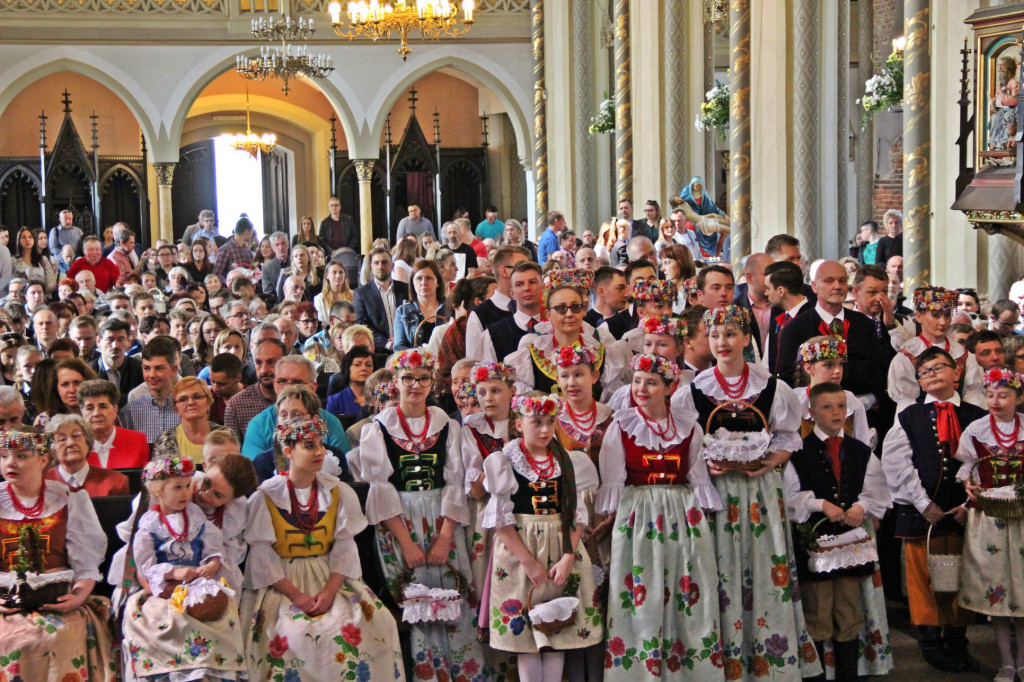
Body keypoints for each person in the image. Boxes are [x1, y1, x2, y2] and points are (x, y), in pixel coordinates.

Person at [674, 305, 821, 680]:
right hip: (714, 494)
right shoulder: (693, 389)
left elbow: (789, 437)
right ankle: (717, 663)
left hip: (759, 492)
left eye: (730, 334)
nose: (722, 342)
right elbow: (685, 444)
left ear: (745, 338)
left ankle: (768, 661)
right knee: (717, 570)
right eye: (715, 335)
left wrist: (769, 462)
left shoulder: (772, 385)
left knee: (762, 568)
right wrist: (705, 466)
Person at [242, 415, 404, 680]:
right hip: (282, 581)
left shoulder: (338, 492)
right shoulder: (266, 497)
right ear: (289, 451)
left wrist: (329, 592)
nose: (319, 451)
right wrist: (297, 595)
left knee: (374, 622)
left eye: (320, 444)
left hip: (330, 575)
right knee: (294, 633)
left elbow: (344, 550)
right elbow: (262, 557)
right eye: (309, 445)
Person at [355, 349, 485, 681]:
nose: (416, 385)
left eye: (423, 378)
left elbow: (454, 483)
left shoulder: (445, 424)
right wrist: (407, 544)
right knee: (417, 602)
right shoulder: (379, 428)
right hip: (399, 520)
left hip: (442, 516)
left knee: (455, 596)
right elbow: (381, 490)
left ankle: (466, 673)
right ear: (395, 382)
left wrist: (444, 538)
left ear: (432, 381)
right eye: (408, 378)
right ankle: (430, 674)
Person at [596, 354, 721, 680]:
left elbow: (697, 478)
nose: (641, 388)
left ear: (669, 387)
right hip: (638, 515)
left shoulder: (689, 427)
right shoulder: (621, 425)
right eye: (637, 381)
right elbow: (614, 483)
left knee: (687, 591)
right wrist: (610, 521)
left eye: (651, 382)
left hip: (682, 514)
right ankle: (640, 672)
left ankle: (689, 670)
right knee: (641, 590)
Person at [482, 392, 601, 681]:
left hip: (559, 548)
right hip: (521, 551)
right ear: (519, 424)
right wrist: (528, 563)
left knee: (556, 628)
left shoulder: (565, 460)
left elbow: (574, 516)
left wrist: (568, 557)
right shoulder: (505, 460)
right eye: (537, 422)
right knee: (526, 638)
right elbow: (501, 522)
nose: (546, 429)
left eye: (550, 421)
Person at [882, 346, 986, 672]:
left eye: (939, 368)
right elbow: (896, 462)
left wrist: (971, 504)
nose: (931, 375)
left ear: (957, 372)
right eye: (924, 372)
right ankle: (930, 643)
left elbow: (983, 465)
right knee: (924, 579)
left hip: (962, 513)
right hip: (920, 514)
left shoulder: (976, 415)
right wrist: (923, 502)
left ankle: (958, 641)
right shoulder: (907, 416)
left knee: (961, 578)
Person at [783, 382, 893, 681]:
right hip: (815, 544)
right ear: (811, 412)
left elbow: (877, 489)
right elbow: (789, 498)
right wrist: (820, 504)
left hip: (851, 546)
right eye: (827, 407)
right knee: (818, 611)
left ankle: (848, 675)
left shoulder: (861, 451)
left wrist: (862, 506)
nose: (835, 413)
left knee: (848, 611)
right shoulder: (798, 453)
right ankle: (817, 677)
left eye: (841, 407)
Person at [0, 429, 115, 680]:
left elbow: (86, 562)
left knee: (59, 635)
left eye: (21, 456)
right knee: (14, 640)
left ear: (43, 460)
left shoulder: (67, 498)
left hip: (59, 599)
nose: (10, 463)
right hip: (5, 605)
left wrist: (79, 595)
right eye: (4, 455)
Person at [120, 456, 246, 680]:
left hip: (197, 583)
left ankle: (210, 672)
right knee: (164, 617)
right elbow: (145, 565)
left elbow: (213, 546)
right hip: (164, 588)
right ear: (158, 491)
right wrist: (173, 573)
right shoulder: (150, 524)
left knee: (221, 614)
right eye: (177, 487)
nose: (186, 493)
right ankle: (169, 672)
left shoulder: (196, 518)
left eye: (188, 486)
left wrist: (213, 562)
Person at [955, 368, 1024, 682]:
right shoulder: (976, 429)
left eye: (1004, 395)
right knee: (997, 591)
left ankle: (1022, 660)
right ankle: (1006, 661)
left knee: (1023, 590)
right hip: (989, 519)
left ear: (1018, 397)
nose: (996, 401)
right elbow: (967, 471)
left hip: (1022, 518)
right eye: (991, 394)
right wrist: (970, 488)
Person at [776, 260, 886, 401]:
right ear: (814, 286)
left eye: (842, 281)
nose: (837, 286)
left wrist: (870, 398)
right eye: (829, 281)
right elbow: (788, 378)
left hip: (863, 407)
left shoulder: (864, 324)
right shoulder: (796, 328)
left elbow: (878, 370)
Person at [506, 273, 625, 400]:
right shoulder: (531, 356)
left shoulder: (603, 354)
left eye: (575, 307)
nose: (569, 314)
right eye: (561, 308)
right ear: (548, 314)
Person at [888, 286, 985, 413]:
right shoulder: (907, 355)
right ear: (918, 316)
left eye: (946, 315)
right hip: (921, 423)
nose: (943, 322)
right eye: (936, 315)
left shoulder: (964, 355)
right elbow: (906, 405)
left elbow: (973, 399)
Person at [241, 355, 351, 459]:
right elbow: (254, 472)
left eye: (297, 382)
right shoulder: (259, 424)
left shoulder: (330, 423)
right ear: (274, 385)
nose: (288, 387)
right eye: (282, 381)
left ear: (313, 387)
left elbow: (341, 468)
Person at [794, 336, 873, 445]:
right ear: (809, 368)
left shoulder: (852, 404)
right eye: (829, 365)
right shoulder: (795, 402)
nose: (837, 370)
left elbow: (862, 447)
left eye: (840, 364)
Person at [45, 411, 130, 495]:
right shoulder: (41, 483)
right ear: (52, 448)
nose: (71, 443)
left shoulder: (116, 483)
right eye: (62, 439)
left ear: (88, 441)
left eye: (76, 436)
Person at [118, 336, 182, 443]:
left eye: (159, 368)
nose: (151, 375)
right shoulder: (131, 409)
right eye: (147, 368)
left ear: (173, 370)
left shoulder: (187, 405)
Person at [151, 376, 224, 465]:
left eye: (197, 397)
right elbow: (159, 477)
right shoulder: (164, 440)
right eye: (183, 399)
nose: (190, 402)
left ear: (208, 402)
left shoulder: (226, 436)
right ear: (176, 408)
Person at [353, 247, 409, 352]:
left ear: (392, 266)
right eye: (376, 263)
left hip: (406, 347)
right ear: (371, 266)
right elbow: (362, 325)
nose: (380, 266)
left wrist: (400, 340)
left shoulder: (406, 289)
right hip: (379, 351)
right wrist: (387, 343)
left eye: (384, 262)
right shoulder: (361, 294)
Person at [393, 260, 451, 351]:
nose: (424, 283)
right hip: (416, 363)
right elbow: (398, 347)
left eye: (429, 278)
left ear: (438, 282)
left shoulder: (451, 308)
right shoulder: (403, 311)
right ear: (412, 283)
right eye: (419, 278)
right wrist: (421, 354)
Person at [35, 357, 97, 428]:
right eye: (65, 384)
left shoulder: (99, 415)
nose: (72, 390)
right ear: (56, 388)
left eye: (77, 383)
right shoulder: (44, 420)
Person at [325, 345, 374, 417]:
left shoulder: (380, 397)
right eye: (357, 365)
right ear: (347, 369)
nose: (364, 368)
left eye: (368, 365)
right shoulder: (335, 401)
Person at [213, 217, 255, 281]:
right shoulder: (226, 249)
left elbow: (252, 267)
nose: (252, 235)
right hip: (231, 289)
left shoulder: (247, 250)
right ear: (246, 231)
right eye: (252, 231)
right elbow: (217, 273)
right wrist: (230, 282)